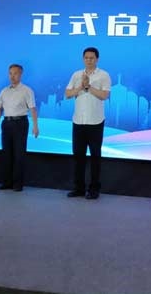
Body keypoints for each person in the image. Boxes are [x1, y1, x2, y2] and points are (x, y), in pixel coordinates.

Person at [64, 47, 111, 200]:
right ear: (83, 59)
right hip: (78, 121)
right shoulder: (76, 75)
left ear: (97, 59)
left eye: (92, 58)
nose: (89, 60)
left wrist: (89, 87)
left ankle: (94, 189)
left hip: (95, 122)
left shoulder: (104, 75)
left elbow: (105, 95)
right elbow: (67, 94)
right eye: (86, 58)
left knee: (95, 157)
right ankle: (79, 188)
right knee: (78, 156)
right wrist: (80, 86)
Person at [0, 64, 39, 192]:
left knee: (19, 154)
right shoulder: (4, 91)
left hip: (20, 123)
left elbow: (32, 109)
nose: (12, 76)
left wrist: (35, 126)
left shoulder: (27, 90)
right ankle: (6, 182)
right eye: (10, 73)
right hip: (6, 123)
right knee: (6, 154)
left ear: (20, 74)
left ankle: (18, 184)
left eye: (15, 73)